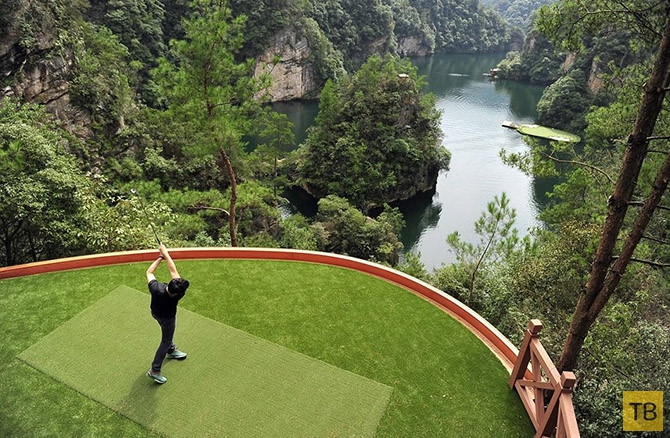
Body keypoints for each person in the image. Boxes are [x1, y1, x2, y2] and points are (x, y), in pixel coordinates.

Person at [145, 244, 190, 384]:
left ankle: (171, 350)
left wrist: (161, 256)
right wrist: (165, 254)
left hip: (155, 313)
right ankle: (155, 370)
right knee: (166, 340)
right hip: (167, 319)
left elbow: (149, 272)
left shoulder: (156, 288)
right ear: (176, 293)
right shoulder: (179, 295)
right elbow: (173, 269)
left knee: (167, 336)